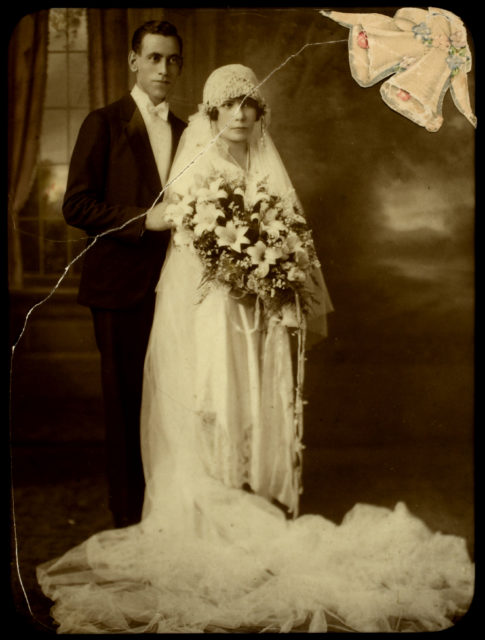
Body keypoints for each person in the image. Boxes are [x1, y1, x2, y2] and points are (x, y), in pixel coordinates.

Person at [38, 65, 474, 633]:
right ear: (212, 113)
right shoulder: (198, 163)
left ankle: (251, 493)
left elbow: (288, 236)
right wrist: (237, 267)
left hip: (255, 308)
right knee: (212, 397)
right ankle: (214, 498)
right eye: (230, 106)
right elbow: (189, 240)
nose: (241, 115)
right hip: (211, 309)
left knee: (251, 397)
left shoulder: (264, 165)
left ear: (258, 113)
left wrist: (276, 280)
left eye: (250, 105)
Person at [62, 20, 186, 527]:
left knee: (171, 405)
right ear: (133, 60)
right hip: (118, 290)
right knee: (125, 409)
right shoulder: (104, 122)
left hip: (173, 291)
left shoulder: (186, 131)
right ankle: (127, 523)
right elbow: (77, 204)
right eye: (154, 57)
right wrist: (143, 220)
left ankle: (164, 515)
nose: (163, 68)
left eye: (172, 59)